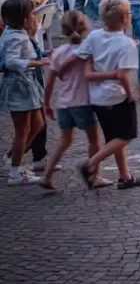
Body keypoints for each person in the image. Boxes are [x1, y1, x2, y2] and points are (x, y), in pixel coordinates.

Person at [76, 0, 140, 189]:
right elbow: (122, 75)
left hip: (97, 97)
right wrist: (130, 95)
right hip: (117, 96)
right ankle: (90, 164)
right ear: (124, 18)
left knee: (113, 137)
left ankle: (125, 176)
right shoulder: (127, 43)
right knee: (125, 136)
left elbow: (83, 60)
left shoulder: (94, 36)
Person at [41, 11, 109, 190]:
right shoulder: (87, 51)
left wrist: (46, 103)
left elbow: (49, 82)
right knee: (94, 139)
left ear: (62, 31)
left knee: (65, 140)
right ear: (85, 28)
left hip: (64, 103)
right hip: (83, 103)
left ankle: (47, 175)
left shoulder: (58, 53)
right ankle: (94, 175)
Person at [1, 0, 50, 185]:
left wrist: (44, 55)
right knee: (23, 130)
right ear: (23, 19)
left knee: (37, 124)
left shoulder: (19, 32)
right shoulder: (14, 36)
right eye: (31, 14)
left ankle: (13, 158)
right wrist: (39, 62)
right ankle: (15, 173)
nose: (34, 17)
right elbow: (11, 61)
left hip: (27, 84)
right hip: (18, 85)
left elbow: (26, 53)